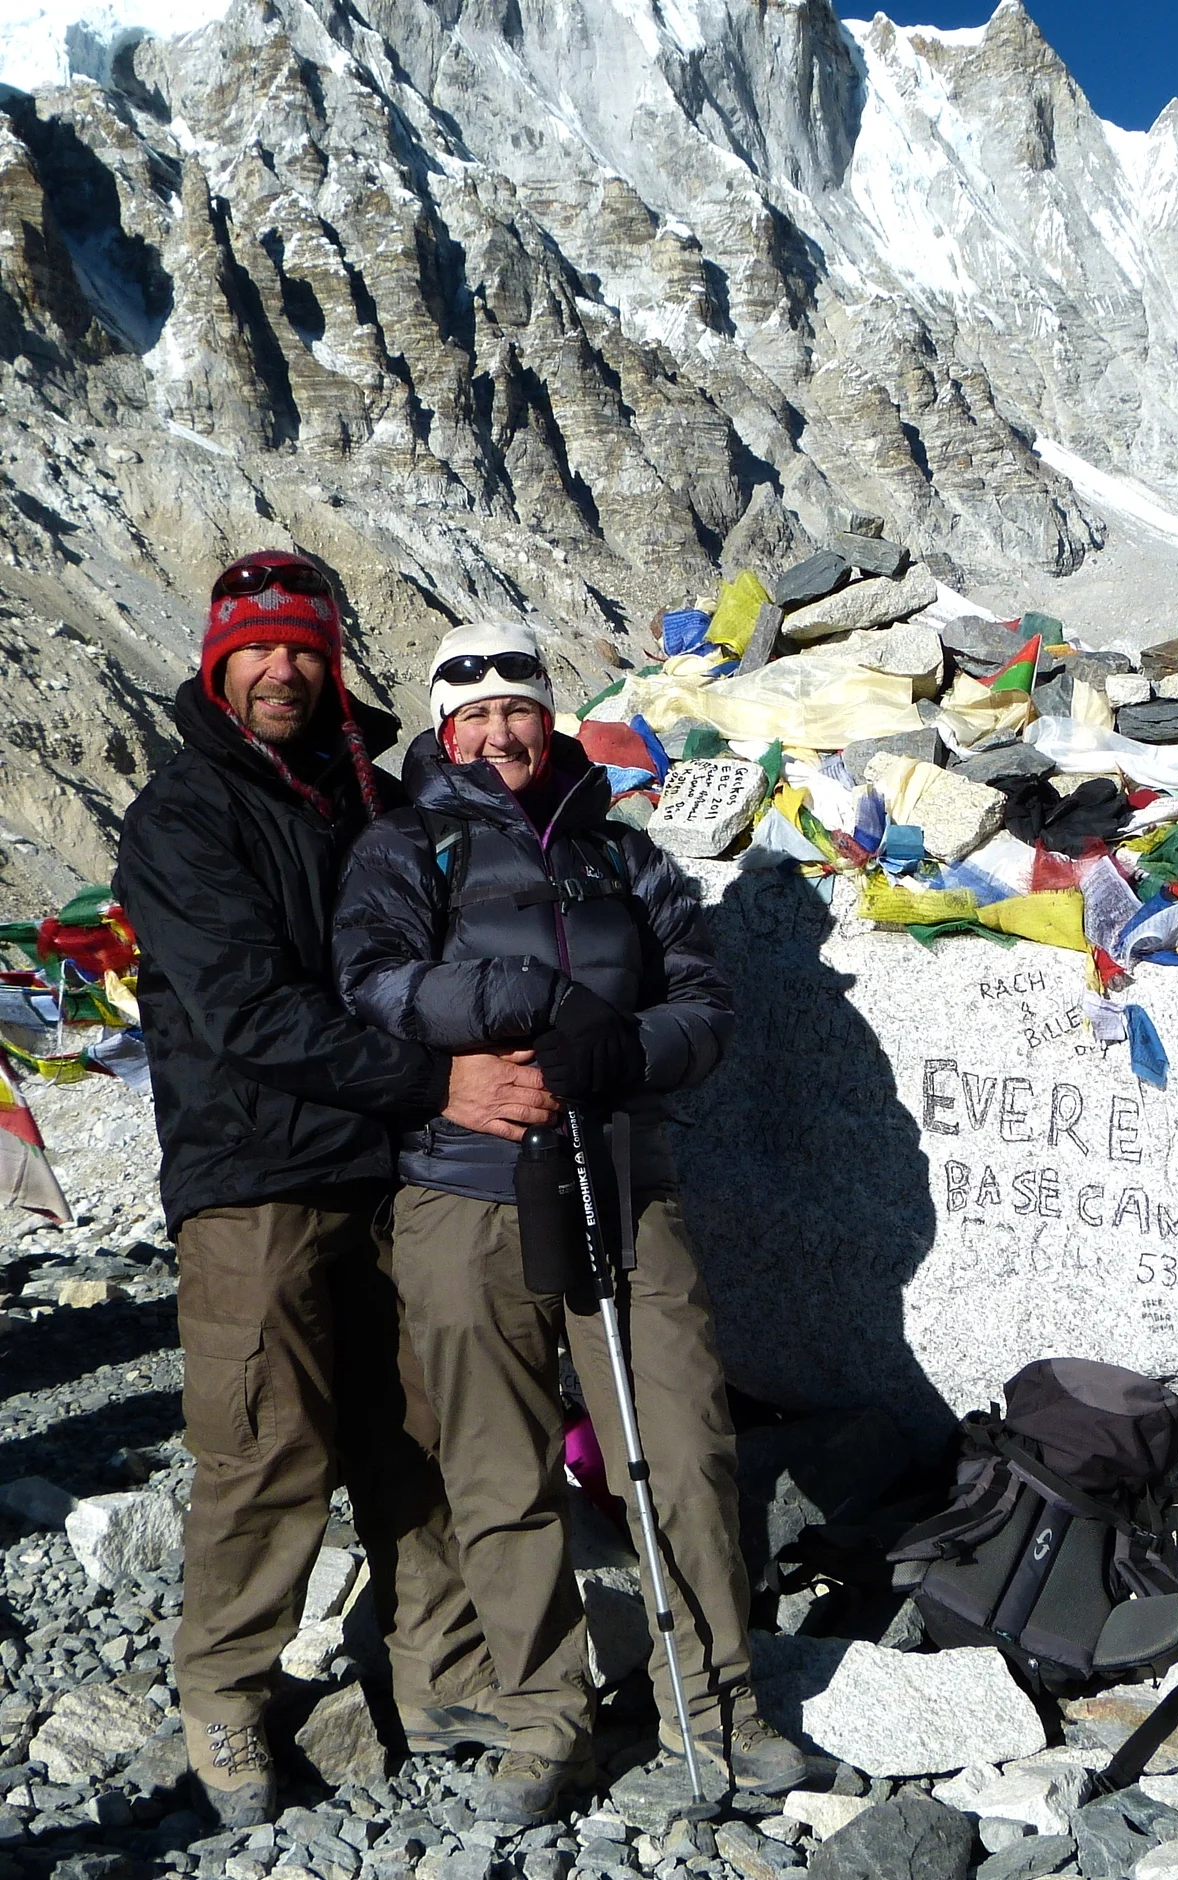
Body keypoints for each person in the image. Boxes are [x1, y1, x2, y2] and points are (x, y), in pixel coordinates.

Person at [332, 618, 808, 1825]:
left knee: (684, 1439)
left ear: (550, 718)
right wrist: (532, 997)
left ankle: (717, 1703)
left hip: (621, 1171)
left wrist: (626, 1047)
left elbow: (702, 996)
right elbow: (375, 980)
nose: (500, 732)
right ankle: (546, 1718)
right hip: (464, 1187)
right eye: (475, 714)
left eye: (520, 708)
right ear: (444, 728)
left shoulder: (622, 850)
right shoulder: (405, 845)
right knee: (497, 1460)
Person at [113, 555, 556, 1827]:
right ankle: (226, 1692)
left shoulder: (371, 793)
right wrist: (440, 1079)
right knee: (266, 1435)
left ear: (331, 657)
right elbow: (248, 1013)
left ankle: (444, 1670)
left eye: (303, 647)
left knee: (415, 1419)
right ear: (218, 663)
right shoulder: (185, 813)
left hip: (390, 1160)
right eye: (255, 648)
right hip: (255, 1168)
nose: (282, 669)